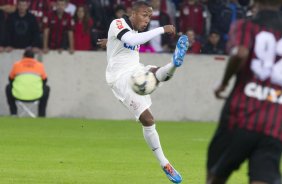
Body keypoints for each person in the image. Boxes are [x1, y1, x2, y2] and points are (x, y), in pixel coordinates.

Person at [105, 1, 189, 183]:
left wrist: (109, 43)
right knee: (148, 120)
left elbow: (126, 42)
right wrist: (162, 29)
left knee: (157, 74)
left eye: (150, 16)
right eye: (144, 15)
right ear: (132, 13)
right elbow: (131, 40)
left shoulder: (135, 32)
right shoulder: (118, 23)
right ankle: (165, 163)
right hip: (120, 78)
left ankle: (175, 63)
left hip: (135, 70)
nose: (147, 20)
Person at [207, 0, 282, 183]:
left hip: (240, 116)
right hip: (274, 121)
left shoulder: (246, 26)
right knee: (263, 178)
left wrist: (224, 83)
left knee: (216, 174)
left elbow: (240, 53)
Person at [6, 49, 50, 117]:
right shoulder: (40, 65)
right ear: (33, 57)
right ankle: (41, 114)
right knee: (47, 88)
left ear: (23, 56)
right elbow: (45, 80)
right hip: (36, 95)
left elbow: (10, 79)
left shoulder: (17, 65)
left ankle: (13, 113)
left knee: (8, 87)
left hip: (18, 95)